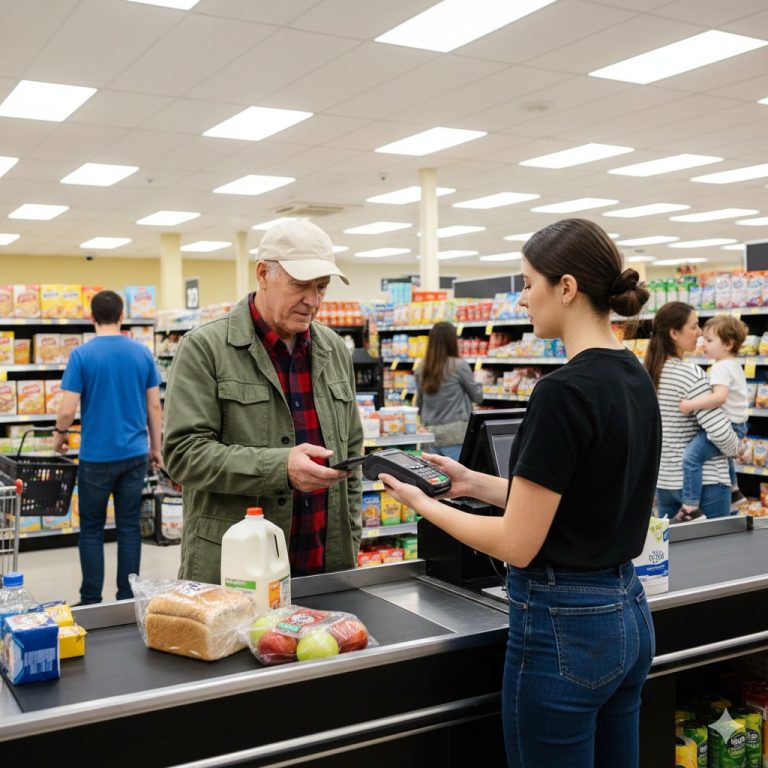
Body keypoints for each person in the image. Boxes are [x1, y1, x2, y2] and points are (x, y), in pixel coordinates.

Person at [376, 218, 661, 768]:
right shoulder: (633, 375)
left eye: (529, 283)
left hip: (565, 632)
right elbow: (576, 501)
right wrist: (469, 483)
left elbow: (517, 543)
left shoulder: (563, 391)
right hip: (627, 613)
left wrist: (425, 505)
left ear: (568, 288)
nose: (522, 297)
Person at [163, 219, 363, 585]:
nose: (313, 301)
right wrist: (280, 468)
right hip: (238, 570)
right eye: (301, 285)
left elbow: (351, 448)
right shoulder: (205, 348)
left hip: (326, 564)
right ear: (263, 274)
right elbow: (183, 454)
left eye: (322, 287)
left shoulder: (334, 349)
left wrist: (352, 531)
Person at [54, 290, 163, 604]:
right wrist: (156, 448)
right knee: (129, 526)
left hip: (96, 458)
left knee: (91, 528)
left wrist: (59, 435)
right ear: (121, 316)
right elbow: (154, 408)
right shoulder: (142, 354)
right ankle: (127, 596)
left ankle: (90, 599)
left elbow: (66, 409)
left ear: (91, 318)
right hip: (134, 455)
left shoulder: (82, 356)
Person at [644, 302, 740, 523]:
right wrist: (736, 447)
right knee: (715, 552)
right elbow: (719, 431)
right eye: (694, 326)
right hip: (705, 484)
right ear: (674, 333)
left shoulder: (649, 372)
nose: (699, 333)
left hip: (665, 482)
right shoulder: (691, 374)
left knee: (674, 553)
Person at [678, 314, 749, 517]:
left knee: (691, 458)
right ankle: (735, 491)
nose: (703, 344)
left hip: (727, 425)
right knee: (724, 455)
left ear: (728, 344)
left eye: (709, 340)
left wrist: (690, 404)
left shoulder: (719, 367)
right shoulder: (733, 363)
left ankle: (690, 507)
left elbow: (719, 397)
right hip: (738, 424)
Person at [415, 321, 483, 461]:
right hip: (455, 435)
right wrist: (480, 380)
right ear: (452, 340)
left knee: (434, 480)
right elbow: (477, 397)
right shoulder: (459, 365)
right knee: (458, 479)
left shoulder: (422, 367)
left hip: (430, 435)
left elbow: (419, 403)